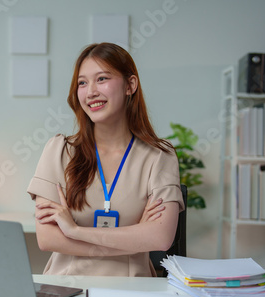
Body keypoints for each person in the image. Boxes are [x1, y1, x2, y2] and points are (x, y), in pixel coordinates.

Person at [27, 43, 184, 277]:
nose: (90, 92)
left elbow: (160, 238)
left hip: (134, 290)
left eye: (102, 79)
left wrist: (74, 231)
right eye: (82, 83)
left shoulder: (160, 155)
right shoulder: (59, 150)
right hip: (67, 286)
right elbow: (48, 239)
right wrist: (136, 235)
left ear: (130, 85)